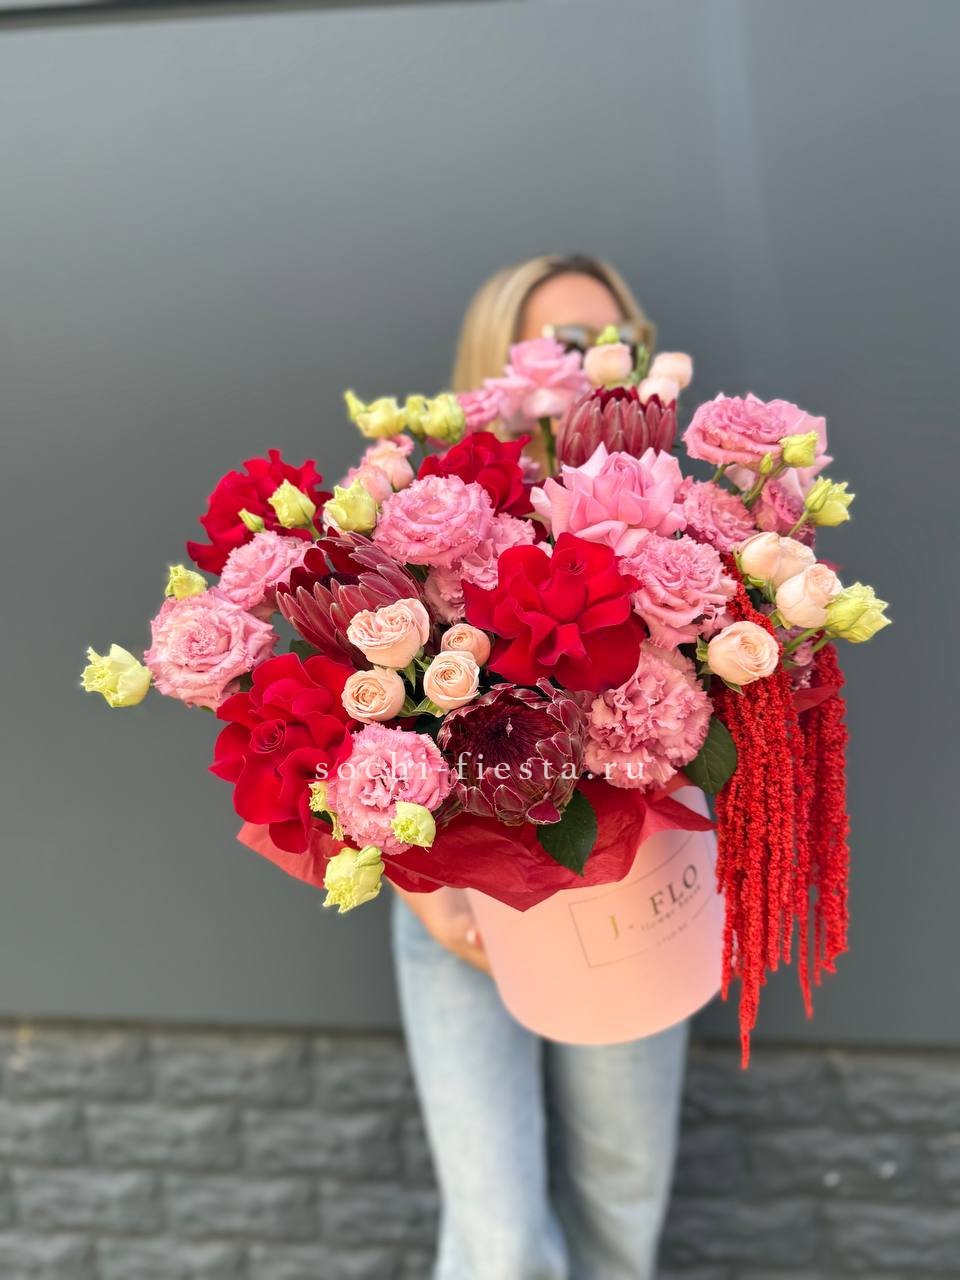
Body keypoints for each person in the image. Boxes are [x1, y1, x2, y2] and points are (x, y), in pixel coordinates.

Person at [391, 254, 688, 1280]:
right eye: (568, 341)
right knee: (498, 1237)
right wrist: (425, 895)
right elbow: (359, 734)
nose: (601, 360)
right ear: (502, 360)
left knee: (623, 1198)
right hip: (464, 903)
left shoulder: (681, 514)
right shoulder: (421, 516)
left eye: (621, 339)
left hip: (622, 888)